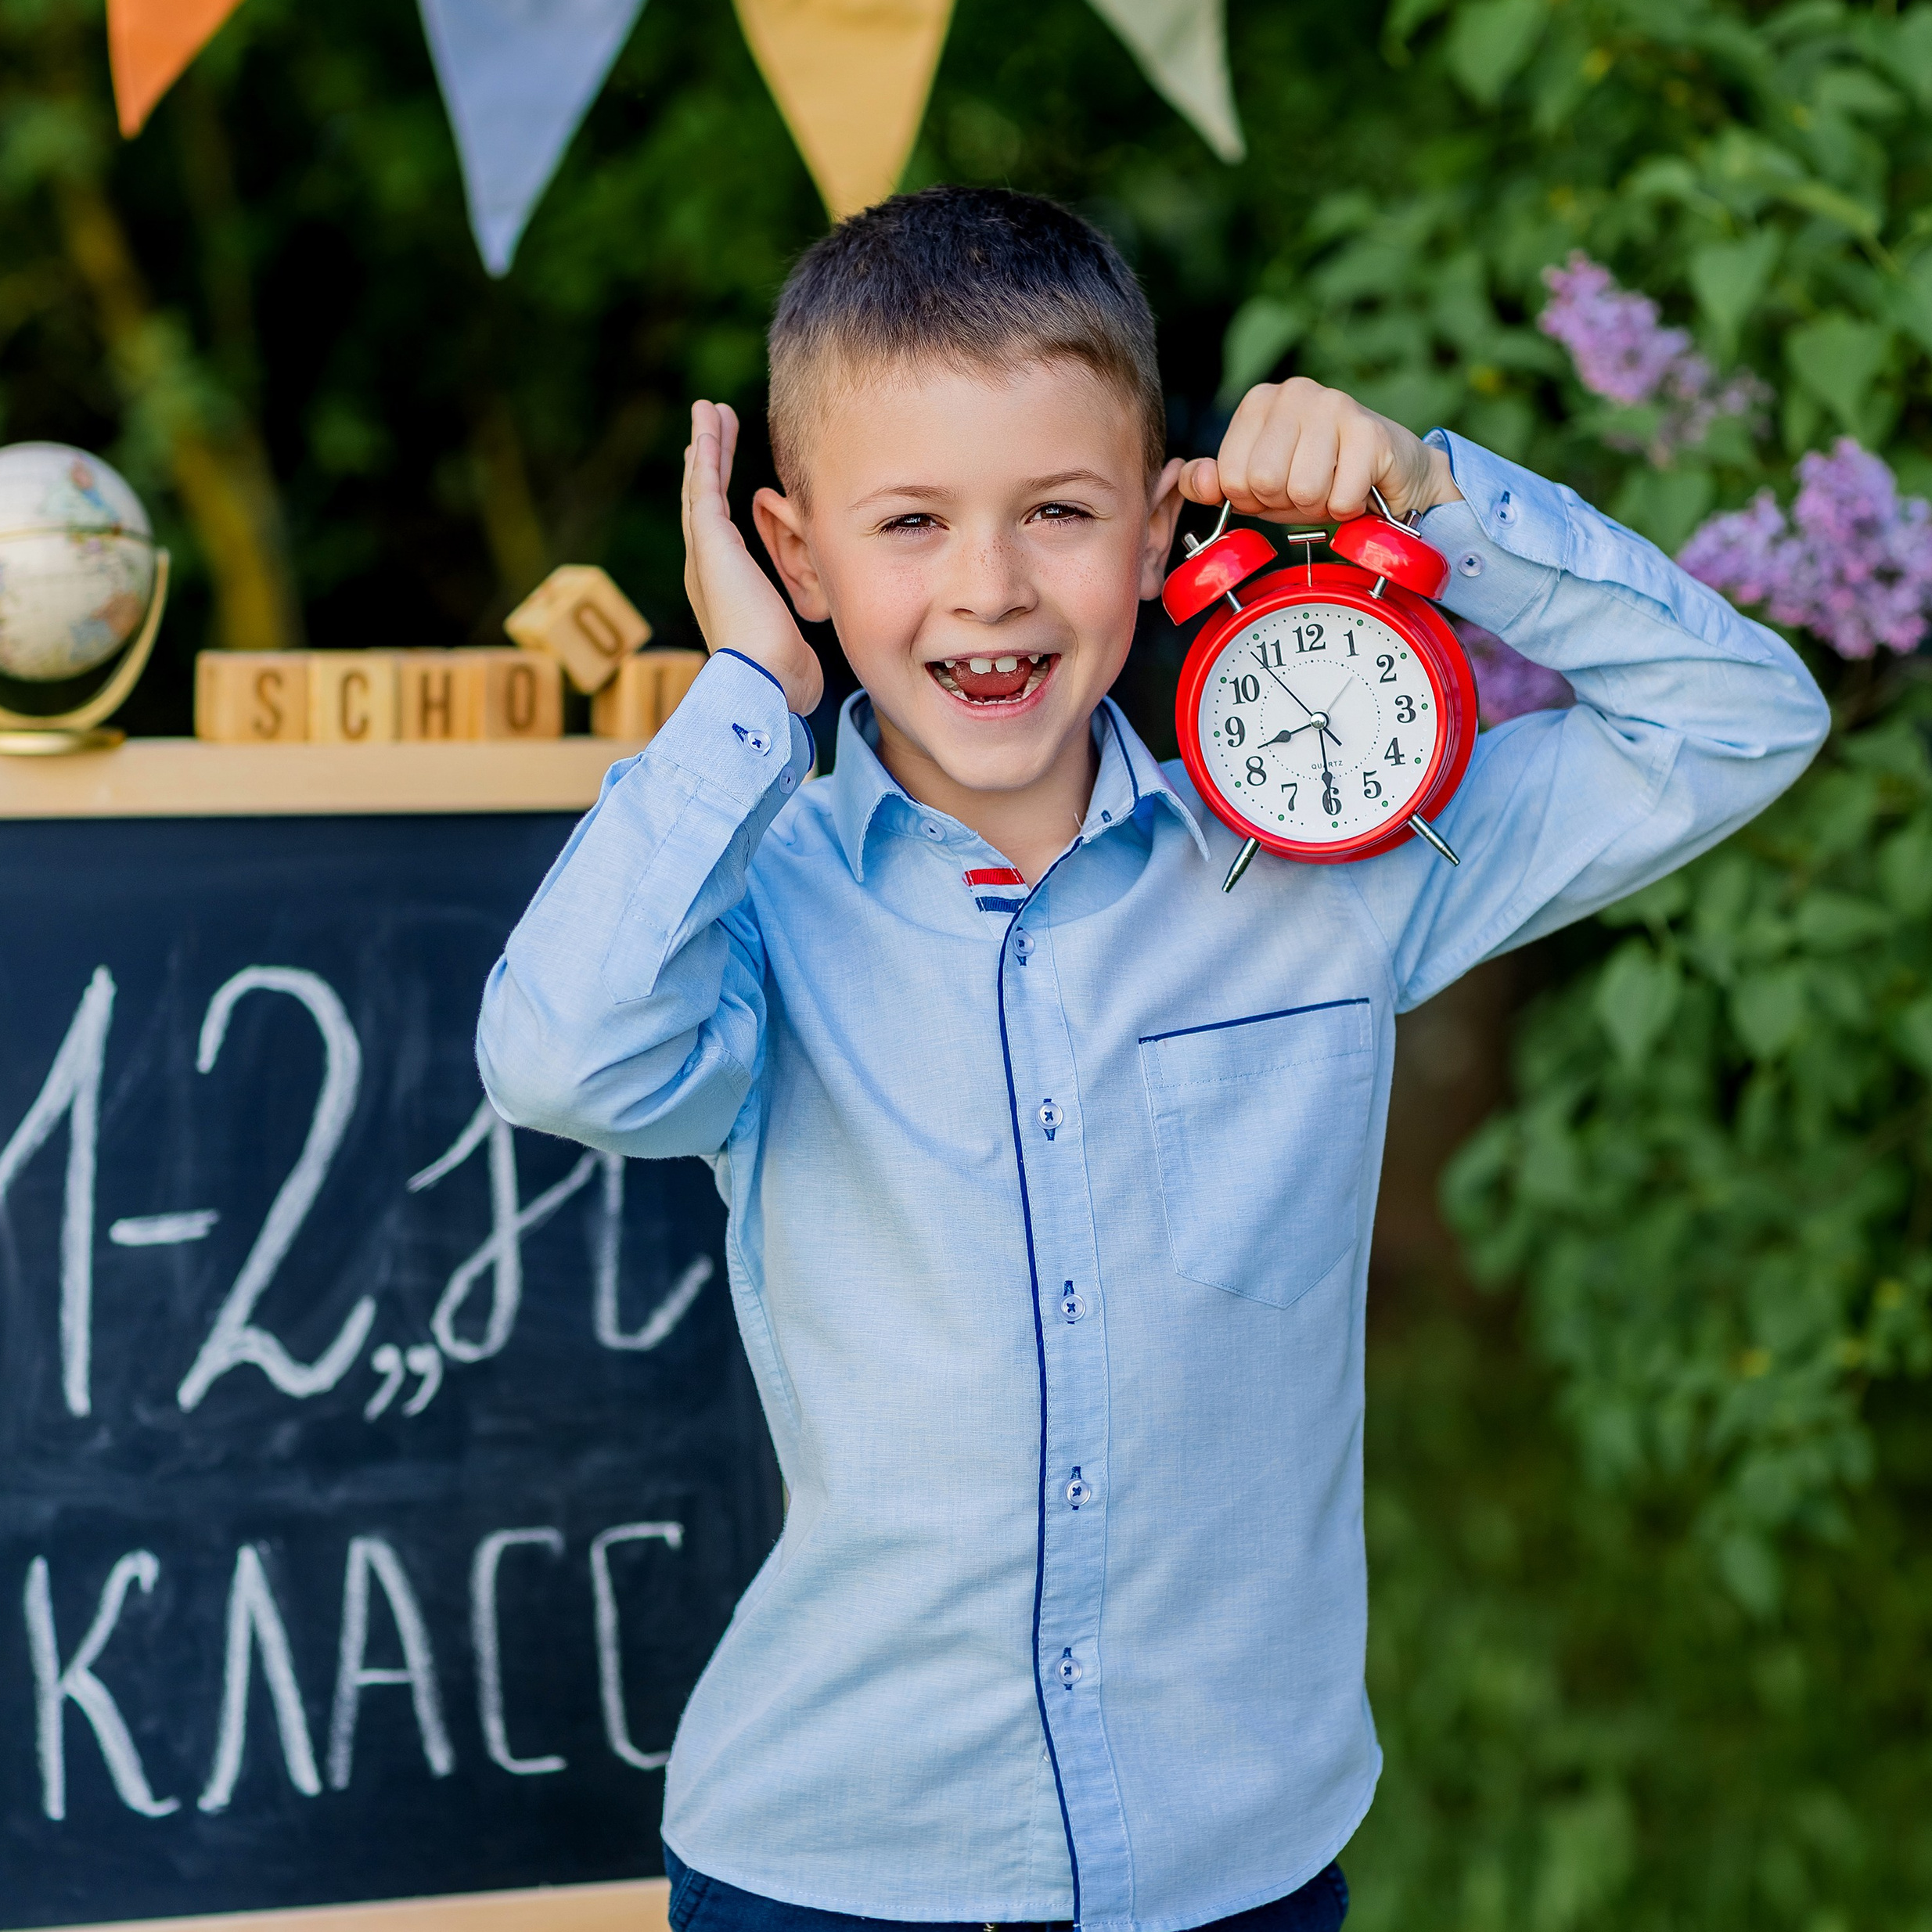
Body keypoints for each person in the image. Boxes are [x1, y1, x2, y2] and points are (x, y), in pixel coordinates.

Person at [476, 187, 1828, 1932]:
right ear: (801, 554)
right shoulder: (759, 907)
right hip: (834, 1863)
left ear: (1153, 527)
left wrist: (1436, 495)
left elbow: (1739, 722)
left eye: (1055, 511)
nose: (987, 585)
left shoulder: (1327, 866)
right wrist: (751, 675)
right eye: (906, 523)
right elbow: (561, 1061)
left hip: (1233, 1861)